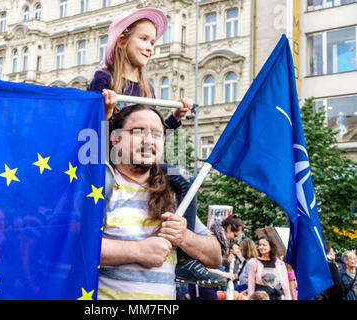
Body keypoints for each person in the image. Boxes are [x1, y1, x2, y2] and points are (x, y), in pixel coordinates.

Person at [90, 8, 220, 287]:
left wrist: (174, 118)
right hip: (109, 158)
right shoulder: (104, 79)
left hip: (138, 162)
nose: (150, 47)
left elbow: (152, 135)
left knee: (185, 178)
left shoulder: (146, 88)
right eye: (144, 39)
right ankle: (96, 234)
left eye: (153, 42)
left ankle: (184, 256)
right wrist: (104, 114)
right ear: (122, 40)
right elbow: (91, 131)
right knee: (104, 186)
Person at [99, 104, 222, 300]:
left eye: (156, 134)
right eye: (137, 132)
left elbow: (215, 257)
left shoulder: (173, 194)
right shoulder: (99, 188)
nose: (148, 141)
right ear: (115, 139)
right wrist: (137, 251)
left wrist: (184, 237)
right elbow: (69, 245)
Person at [247, 236, 291, 300]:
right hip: (260, 298)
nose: (261, 247)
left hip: (277, 297)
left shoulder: (280, 264)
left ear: (270, 247)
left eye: (264, 245)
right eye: (260, 245)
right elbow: (251, 285)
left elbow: (285, 285)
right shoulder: (254, 263)